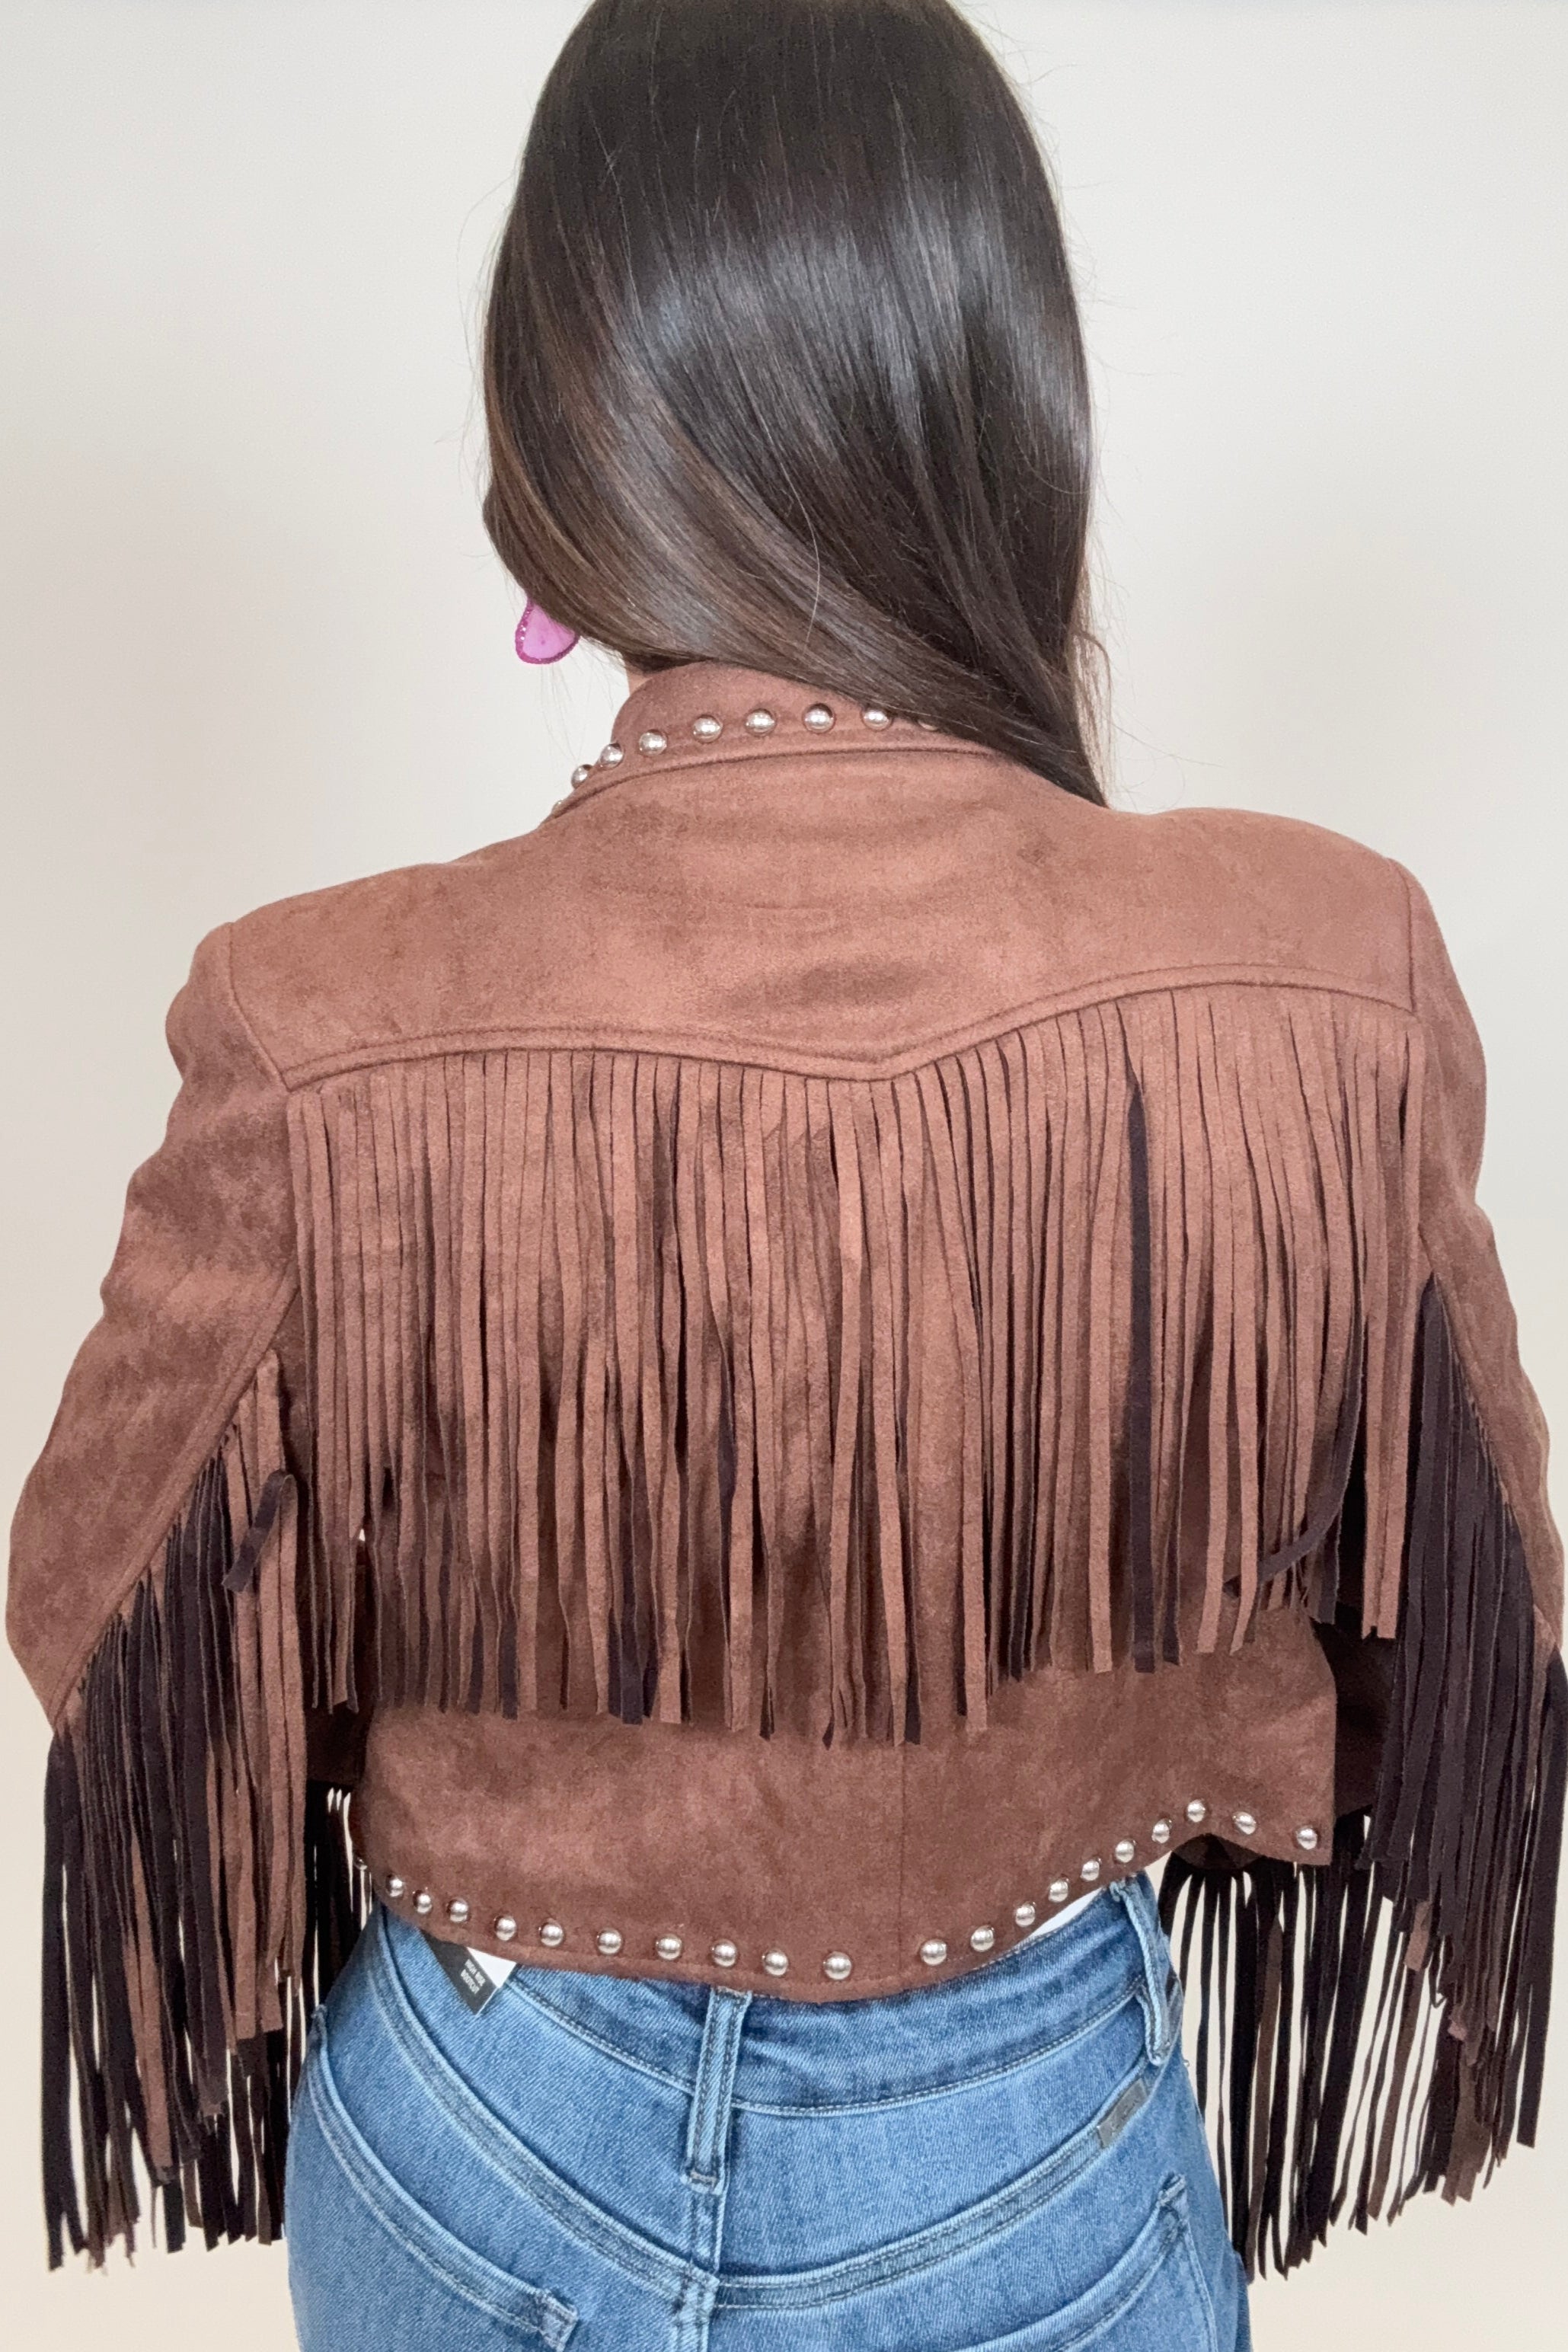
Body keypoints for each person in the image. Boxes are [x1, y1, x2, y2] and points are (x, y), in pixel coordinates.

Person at [8, 2, 1562, 2346]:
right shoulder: (1324, 965)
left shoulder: (314, 1013)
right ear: (1004, 410)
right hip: (1021, 2118)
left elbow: (99, 1606)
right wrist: (1116, 1703)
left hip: (478, 2117)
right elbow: (1461, 1621)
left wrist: (499, 1742)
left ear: (563, 443)